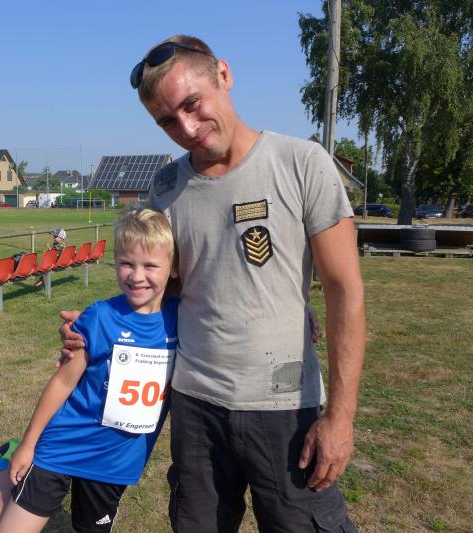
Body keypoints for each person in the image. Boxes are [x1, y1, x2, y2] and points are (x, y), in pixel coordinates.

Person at [61, 36, 366, 532]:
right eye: (167, 121)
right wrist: (98, 325)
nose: (187, 129)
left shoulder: (302, 163)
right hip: (196, 406)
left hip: (283, 407)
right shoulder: (165, 188)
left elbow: (344, 290)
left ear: (224, 75)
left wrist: (341, 417)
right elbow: (161, 287)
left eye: (192, 104)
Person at [0, 209, 179, 533]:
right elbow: (63, 381)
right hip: (65, 444)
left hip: (115, 461)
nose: (136, 276)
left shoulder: (182, 319)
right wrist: (29, 443)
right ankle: (4, 467)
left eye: (150, 266)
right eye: (126, 263)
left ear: (174, 268)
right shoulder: (100, 317)